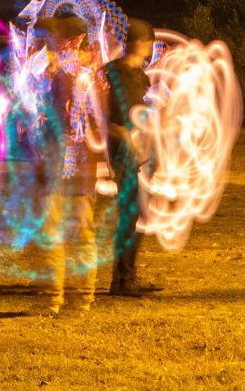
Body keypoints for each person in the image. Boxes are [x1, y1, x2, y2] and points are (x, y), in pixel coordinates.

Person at [28, 4, 97, 316]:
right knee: (60, 228)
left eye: (60, 37)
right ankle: (57, 298)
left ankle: (75, 298)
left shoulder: (88, 78)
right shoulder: (47, 75)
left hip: (72, 160)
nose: (53, 42)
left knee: (75, 228)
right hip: (59, 159)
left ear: (76, 39)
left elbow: (95, 120)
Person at [102, 17, 161, 297]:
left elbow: (149, 113)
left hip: (144, 155)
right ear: (139, 42)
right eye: (149, 41)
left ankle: (128, 276)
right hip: (125, 155)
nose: (151, 47)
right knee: (128, 215)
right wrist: (126, 138)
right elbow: (104, 119)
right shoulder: (112, 75)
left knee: (138, 215)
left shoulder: (142, 76)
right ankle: (121, 280)